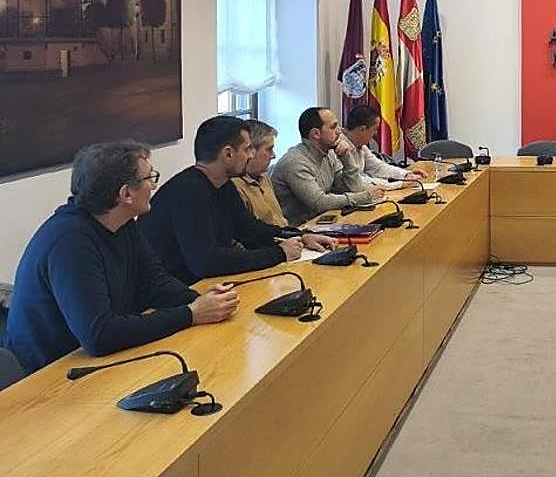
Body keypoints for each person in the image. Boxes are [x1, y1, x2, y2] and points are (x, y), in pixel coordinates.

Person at [3, 142, 239, 374]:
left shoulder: (121, 222)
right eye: (149, 178)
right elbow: (99, 335)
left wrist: (205, 302)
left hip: (93, 361)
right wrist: (191, 313)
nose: (154, 186)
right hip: (49, 376)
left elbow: (155, 282)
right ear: (126, 194)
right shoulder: (70, 240)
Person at [140, 116, 337, 284]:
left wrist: (300, 236)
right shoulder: (188, 193)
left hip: (203, 286)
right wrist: (279, 254)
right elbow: (206, 261)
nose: (251, 155)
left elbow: (250, 230)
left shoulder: (223, 184)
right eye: (248, 149)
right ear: (228, 154)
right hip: (173, 294)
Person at [272, 107, 387, 224]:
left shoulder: (329, 154)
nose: (339, 131)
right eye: (333, 127)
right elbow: (320, 202)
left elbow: (353, 189)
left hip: (319, 224)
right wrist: (365, 197)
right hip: (296, 231)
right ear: (316, 133)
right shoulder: (295, 162)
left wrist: (347, 159)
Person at [342, 105, 426, 186]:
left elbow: (378, 167)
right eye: (374, 129)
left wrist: (406, 174)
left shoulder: (361, 146)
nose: (375, 134)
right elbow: (358, 182)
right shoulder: (340, 149)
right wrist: (399, 184)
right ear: (362, 129)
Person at [232, 119, 288, 226]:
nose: (273, 155)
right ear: (250, 151)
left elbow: (279, 220)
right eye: (269, 149)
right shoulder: (235, 186)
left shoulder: (263, 176)